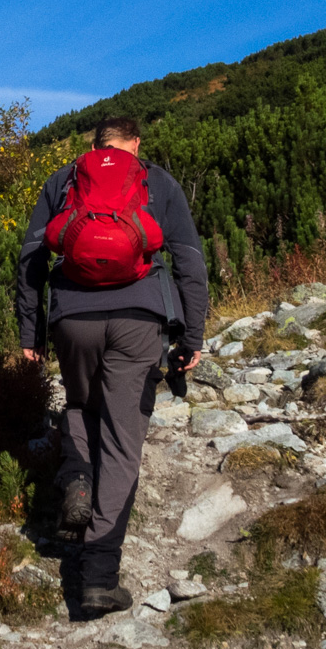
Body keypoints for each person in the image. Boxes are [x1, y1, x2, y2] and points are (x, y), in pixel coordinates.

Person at [15, 115, 209, 616]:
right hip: (138, 319)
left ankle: (78, 476)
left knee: (78, 404)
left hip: (72, 317)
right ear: (136, 145)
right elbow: (189, 260)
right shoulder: (156, 181)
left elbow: (32, 259)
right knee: (123, 442)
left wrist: (30, 331)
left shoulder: (64, 180)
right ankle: (99, 576)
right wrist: (191, 336)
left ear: (94, 144)